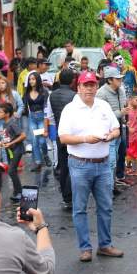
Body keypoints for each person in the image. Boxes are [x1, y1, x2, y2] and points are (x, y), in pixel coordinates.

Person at [58, 71, 123, 262]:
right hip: (80, 164)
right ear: (78, 87)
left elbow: (117, 128)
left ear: (96, 87)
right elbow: (63, 138)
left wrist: (111, 135)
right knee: (80, 208)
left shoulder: (103, 105)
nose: (89, 88)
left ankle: (105, 245)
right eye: (85, 85)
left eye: (92, 85)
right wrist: (86, 138)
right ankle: (85, 248)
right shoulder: (70, 109)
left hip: (103, 164)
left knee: (106, 206)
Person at [46, 69, 77, 209]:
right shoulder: (75, 96)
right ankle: (70, 195)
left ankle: (65, 195)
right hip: (73, 134)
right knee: (73, 165)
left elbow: (50, 117)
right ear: (72, 81)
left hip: (59, 133)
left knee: (63, 165)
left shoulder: (52, 95)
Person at [95, 65, 129, 187]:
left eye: (120, 78)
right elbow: (102, 116)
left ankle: (113, 183)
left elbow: (123, 107)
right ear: (109, 80)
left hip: (120, 129)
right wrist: (121, 113)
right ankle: (107, 187)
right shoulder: (101, 93)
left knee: (118, 157)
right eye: (118, 79)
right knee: (110, 161)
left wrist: (125, 120)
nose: (120, 81)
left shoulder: (121, 90)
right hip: (108, 133)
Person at [0, 103, 27, 202]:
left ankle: (19, 192)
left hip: (17, 150)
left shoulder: (12, 123)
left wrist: (11, 143)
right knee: (12, 171)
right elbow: (8, 136)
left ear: (7, 114)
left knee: (11, 171)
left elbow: (23, 135)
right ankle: (16, 191)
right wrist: (2, 142)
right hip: (10, 150)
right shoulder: (4, 123)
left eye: (0, 112)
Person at [23, 71, 51, 171]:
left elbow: (47, 109)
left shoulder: (44, 92)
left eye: (33, 79)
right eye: (30, 79)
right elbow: (24, 106)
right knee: (34, 141)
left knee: (42, 141)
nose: (31, 81)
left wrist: (46, 124)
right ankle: (38, 162)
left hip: (42, 118)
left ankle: (45, 155)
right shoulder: (27, 91)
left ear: (38, 79)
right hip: (32, 118)